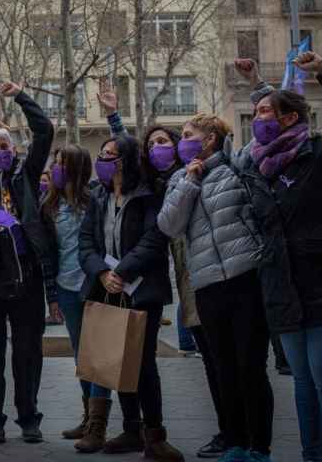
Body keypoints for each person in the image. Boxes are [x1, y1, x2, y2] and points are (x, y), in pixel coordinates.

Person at [234, 53, 322, 462]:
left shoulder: (319, 154)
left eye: (264, 112)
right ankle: (311, 456)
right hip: (282, 286)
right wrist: (258, 83)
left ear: (290, 119)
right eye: (255, 111)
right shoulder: (257, 167)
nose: (257, 118)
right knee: (302, 382)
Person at [99, 89, 228, 459]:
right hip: (173, 282)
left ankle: (229, 431)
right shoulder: (149, 183)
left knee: (218, 361)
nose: (158, 149)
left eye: (165, 142)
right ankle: (134, 430)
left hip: (201, 277)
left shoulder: (193, 173)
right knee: (129, 361)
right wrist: (113, 117)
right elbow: (124, 150)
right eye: (151, 143)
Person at [158, 114, 273, 462]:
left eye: (189, 135)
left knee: (250, 367)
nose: (183, 141)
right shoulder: (180, 178)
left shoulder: (234, 167)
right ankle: (235, 442)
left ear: (209, 140)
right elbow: (169, 224)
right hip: (206, 285)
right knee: (224, 368)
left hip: (245, 279)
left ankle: (259, 447)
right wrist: (190, 182)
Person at [79, 135, 183, 461]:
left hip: (141, 291)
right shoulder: (98, 196)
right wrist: (101, 273)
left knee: (142, 364)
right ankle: (130, 429)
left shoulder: (149, 195)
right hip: (107, 289)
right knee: (115, 361)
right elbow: (86, 242)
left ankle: (155, 435)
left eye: (111, 155)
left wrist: (121, 272)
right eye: (103, 154)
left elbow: (154, 240)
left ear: (125, 160)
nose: (104, 160)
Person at [0, 81, 54, 444]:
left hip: (28, 276)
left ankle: (29, 416)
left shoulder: (26, 175)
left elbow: (45, 131)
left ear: (14, 150)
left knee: (29, 352)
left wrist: (19, 95)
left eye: (4, 147)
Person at [40, 144, 117, 451]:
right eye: (55, 163)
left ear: (76, 168)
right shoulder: (51, 205)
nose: (56, 169)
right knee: (81, 357)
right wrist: (52, 296)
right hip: (66, 289)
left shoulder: (97, 199)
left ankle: (98, 427)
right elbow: (49, 255)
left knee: (100, 358)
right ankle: (88, 417)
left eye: (61, 163)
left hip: (95, 286)